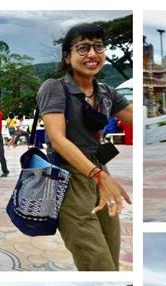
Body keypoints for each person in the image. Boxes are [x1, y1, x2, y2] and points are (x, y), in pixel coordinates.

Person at [37, 23, 132, 271]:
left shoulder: (107, 92)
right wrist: (98, 176)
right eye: (83, 48)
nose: (92, 54)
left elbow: (138, 118)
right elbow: (57, 139)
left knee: (111, 257)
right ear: (67, 57)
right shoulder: (54, 88)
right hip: (70, 178)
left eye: (98, 47)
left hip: (100, 174)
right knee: (97, 263)